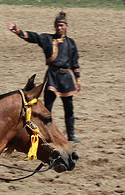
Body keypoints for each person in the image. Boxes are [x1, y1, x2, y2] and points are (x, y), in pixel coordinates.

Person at [7, 11, 82, 142]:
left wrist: (78, 79)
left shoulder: (71, 43)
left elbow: (74, 62)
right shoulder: (47, 39)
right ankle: (45, 133)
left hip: (66, 78)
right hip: (52, 76)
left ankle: (71, 136)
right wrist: (17, 31)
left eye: (62, 25)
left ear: (66, 26)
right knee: (48, 107)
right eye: (57, 25)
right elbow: (33, 37)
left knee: (69, 107)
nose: (59, 28)